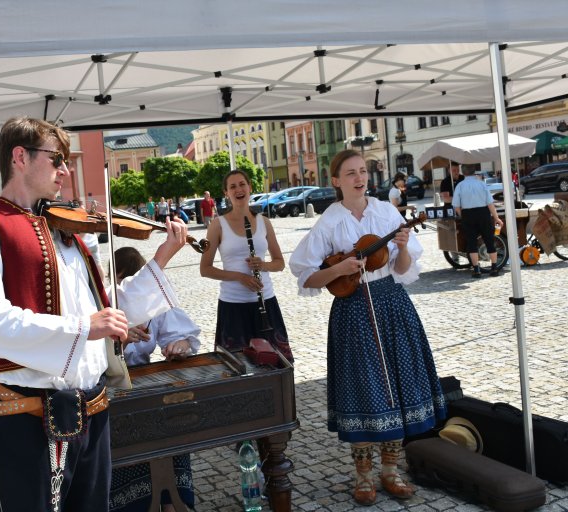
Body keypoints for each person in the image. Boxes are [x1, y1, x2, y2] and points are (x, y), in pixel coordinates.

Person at [0, 116, 189, 512]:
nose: (65, 170)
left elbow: (106, 315)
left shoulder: (65, 232)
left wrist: (161, 257)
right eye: (56, 159)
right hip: (31, 420)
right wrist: (83, 327)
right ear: (19, 157)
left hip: (92, 414)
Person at [288, 149, 447, 506]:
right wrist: (340, 270)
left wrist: (403, 246)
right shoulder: (329, 221)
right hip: (353, 309)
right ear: (336, 181)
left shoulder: (386, 212)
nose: (359, 178)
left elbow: (404, 268)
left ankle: (390, 471)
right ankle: (363, 476)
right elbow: (305, 274)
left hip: (392, 303)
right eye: (350, 173)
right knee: (364, 389)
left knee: (398, 386)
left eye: (363, 171)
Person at [109, 247, 199, 512]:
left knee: (172, 427)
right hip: (112, 389)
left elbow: (179, 333)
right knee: (129, 445)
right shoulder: (108, 301)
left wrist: (179, 345)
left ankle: (174, 502)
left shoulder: (154, 302)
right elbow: (97, 359)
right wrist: (121, 344)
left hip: (145, 383)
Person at [200, 170, 292, 361]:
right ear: (226, 193)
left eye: (242, 184)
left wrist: (263, 265)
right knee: (237, 368)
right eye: (232, 186)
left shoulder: (264, 222)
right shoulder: (217, 225)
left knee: (275, 364)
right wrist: (240, 277)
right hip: (233, 305)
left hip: (266, 301)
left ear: (250, 187)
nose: (238, 189)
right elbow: (205, 269)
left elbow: (280, 263)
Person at [452, 166, 503, 278]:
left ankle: (476, 270)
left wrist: (462, 215)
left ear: (463, 173)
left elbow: (456, 205)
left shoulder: (460, 185)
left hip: (468, 214)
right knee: (489, 240)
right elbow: (490, 203)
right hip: (483, 213)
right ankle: (494, 268)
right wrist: (496, 217)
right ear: (474, 172)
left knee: (471, 243)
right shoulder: (482, 184)